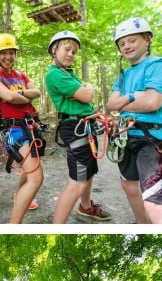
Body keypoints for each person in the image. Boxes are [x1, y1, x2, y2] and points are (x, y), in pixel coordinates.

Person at [106, 17, 162, 224]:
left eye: (132, 40)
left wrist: (124, 100)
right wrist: (135, 96)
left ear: (146, 39)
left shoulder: (158, 66)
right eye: (122, 44)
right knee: (129, 186)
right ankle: (142, 225)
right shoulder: (123, 75)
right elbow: (111, 104)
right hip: (125, 137)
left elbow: (152, 102)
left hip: (152, 138)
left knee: (155, 199)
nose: (126, 46)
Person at [45, 30, 112, 223]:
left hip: (84, 126)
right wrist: (87, 89)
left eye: (74, 52)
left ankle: (86, 207)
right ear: (54, 49)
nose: (70, 54)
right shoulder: (55, 75)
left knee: (89, 172)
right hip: (75, 128)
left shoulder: (68, 74)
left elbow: (83, 94)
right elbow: (87, 95)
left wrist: (84, 90)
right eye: (67, 49)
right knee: (78, 181)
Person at [0, 33, 45, 223]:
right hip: (13, 129)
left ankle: (20, 196)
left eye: (11, 52)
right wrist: (25, 96)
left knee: (31, 172)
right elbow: (8, 98)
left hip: (29, 126)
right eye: (3, 53)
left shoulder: (20, 75)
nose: (8, 57)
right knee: (36, 178)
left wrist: (21, 94)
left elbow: (37, 92)